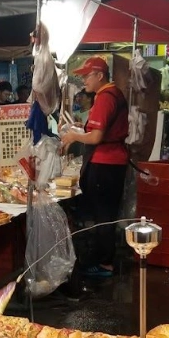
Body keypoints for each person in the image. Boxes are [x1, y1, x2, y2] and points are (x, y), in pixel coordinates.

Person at [60, 56, 129, 278]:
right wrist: (82, 129)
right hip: (111, 161)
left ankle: (104, 263)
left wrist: (74, 135)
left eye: (86, 76)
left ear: (100, 75)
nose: (83, 81)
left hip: (106, 163)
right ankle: (104, 259)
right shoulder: (111, 94)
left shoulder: (106, 97)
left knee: (104, 214)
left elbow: (97, 137)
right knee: (105, 213)